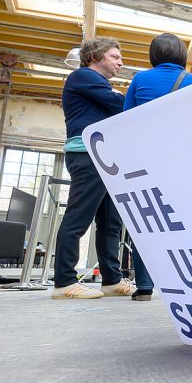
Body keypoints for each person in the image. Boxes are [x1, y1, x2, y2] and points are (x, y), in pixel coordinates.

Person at [51, 37, 136, 299]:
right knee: (78, 218)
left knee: (111, 222)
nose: (120, 63)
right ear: (96, 56)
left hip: (106, 158)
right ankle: (64, 283)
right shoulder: (83, 77)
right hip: (87, 155)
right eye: (115, 57)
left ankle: (111, 280)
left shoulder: (99, 85)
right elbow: (121, 104)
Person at [122, 33, 192, 301]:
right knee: (187, 222)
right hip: (183, 161)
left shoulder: (140, 79)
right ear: (182, 55)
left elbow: (126, 120)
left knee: (149, 221)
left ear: (154, 55)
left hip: (145, 161)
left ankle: (145, 286)